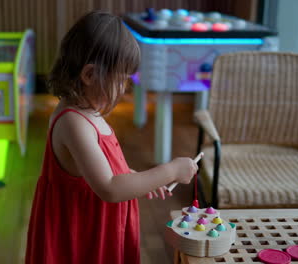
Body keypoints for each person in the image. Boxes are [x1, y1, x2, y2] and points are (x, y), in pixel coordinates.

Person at [25, 11, 198, 264]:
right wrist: (169, 170)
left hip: (97, 223)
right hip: (80, 230)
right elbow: (108, 187)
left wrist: (143, 179)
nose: (125, 88)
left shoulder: (87, 110)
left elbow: (102, 165)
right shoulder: (74, 122)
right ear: (90, 75)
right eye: (121, 79)